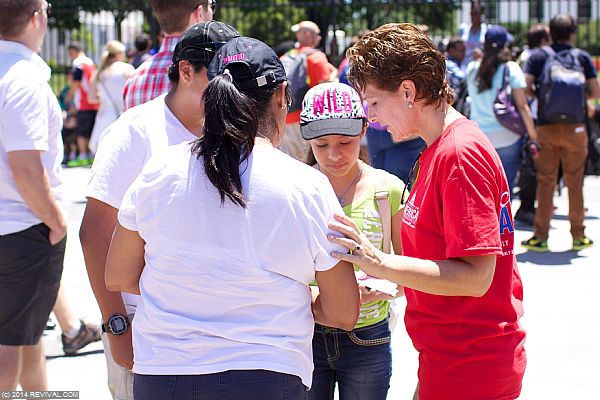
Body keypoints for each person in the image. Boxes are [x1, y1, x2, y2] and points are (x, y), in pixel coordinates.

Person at [104, 36, 360, 400]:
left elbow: (117, 275)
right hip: (268, 375)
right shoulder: (309, 186)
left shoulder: (159, 169)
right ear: (281, 95)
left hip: (165, 374)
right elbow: (344, 311)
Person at [328, 23, 527, 400]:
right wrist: (394, 282)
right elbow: (442, 259)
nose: (370, 118)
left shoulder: (458, 154)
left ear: (407, 91)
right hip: (449, 359)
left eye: (373, 102)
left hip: (470, 364)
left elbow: (476, 278)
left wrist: (380, 262)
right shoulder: (440, 148)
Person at [79, 21, 240, 400]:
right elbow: (95, 234)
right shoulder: (135, 132)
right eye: (220, 76)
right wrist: (117, 324)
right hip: (145, 326)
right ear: (186, 71)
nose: (231, 88)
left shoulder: (230, 130)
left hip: (216, 329)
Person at [300, 82, 406, 400]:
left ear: (363, 131)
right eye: (321, 144)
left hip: (368, 335)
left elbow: (408, 268)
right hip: (306, 333)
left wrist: (382, 287)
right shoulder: (295, 189)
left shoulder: (387, 189)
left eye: (345, 142)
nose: (334, 155)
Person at [0, 0, 67, 392]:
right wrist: (56, 221)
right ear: (36, 18)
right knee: (11, 338)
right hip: (24, 224)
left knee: (25, 331)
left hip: (16, 223)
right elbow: (26, 167)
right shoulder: (23, 80)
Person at [521, 13, 600, 252]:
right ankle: (578, 236)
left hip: (546, 126)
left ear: (550, 32)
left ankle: (541, 236)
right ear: (572, 33)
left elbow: (525, 87)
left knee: (546, 181)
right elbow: (595, 92)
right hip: (576, 128)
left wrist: (544, 98)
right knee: (575, 181)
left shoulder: (538, 56)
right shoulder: (582, 57)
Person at [466, 25, 538, 195]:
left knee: (483, 189)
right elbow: (522, 106)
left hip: (479, 137)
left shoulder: (472, 68)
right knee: (505, 189)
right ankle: (503, 221)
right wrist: (534, 137)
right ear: (504, 46)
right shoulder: (511, 68)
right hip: (507, 136)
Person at [122, 0, 214, 110]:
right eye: (211, 6)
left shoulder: (133, 81)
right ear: (199, 13)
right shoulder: (210, 74)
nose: (212, 11)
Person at [514, 24, 550, 226]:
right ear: (543, 39)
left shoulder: (525, 56)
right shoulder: (535, 56)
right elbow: (526, 89)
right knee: (531, 162)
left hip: (528, 116)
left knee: (532, 161)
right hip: (531, 116)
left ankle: (530, 205)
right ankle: (527, 207)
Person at [280, 20, 332, 161]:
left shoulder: (286, 56)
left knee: (288, 163)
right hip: (306, 121)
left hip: (285, 119)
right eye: (318, 34)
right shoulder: (317, 58)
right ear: (309, 34)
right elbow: (325, 91)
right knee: (307, 165)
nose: (320, 38)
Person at [88, 40, 134, 153]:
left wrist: (104, 99)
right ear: (119, 54)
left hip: (104, 117)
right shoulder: (126, 68)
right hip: (124, 114)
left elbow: (91, 98)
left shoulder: (98, 73)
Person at [65, 41, 99, 167]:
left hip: (83, 102)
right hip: (94, 101)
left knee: (81, 131)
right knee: (90, 129)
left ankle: (83, 155)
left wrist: (70, 96)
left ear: (74, 51)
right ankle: (89, 155)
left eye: (70, 52)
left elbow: (76, 82)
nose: (70, 55)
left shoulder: (78, 63)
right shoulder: (90, 62)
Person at [457, 1, 488, 67]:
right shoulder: (463, 28)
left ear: (481, 14)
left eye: (476, 13)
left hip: (481, 66)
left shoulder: (487, 29)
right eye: (472, 13)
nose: (473, 16)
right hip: (465, 66)